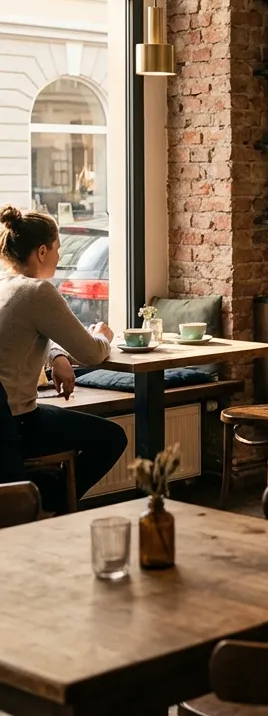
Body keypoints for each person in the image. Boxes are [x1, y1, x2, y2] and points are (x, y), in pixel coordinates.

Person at [0, 205, 127, 509]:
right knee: (111, 437)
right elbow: (92, 352)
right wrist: (104, 336)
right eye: (57, 248)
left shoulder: (5, 286)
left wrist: (57, 355)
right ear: (42, 251)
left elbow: (27, 334)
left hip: (7, 417)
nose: (60, 256)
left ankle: (43, 495)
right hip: (17, 422)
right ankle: (54, 500)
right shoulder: (38, 291)